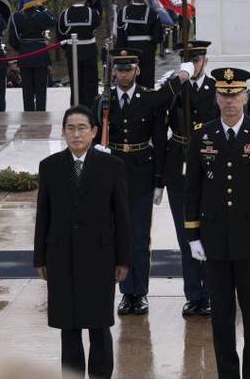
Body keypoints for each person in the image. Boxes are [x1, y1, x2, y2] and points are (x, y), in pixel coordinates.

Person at [184, 67, 250, 379]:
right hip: (214, 240)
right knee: (221, 317)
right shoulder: (202, 135)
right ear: (216, 98)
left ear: (245, 97)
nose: (229, 101)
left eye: (235, 95)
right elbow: (193, 188)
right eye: (223, 95)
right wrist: (193, 235)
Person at [33, 105, 132, 379]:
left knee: (99, 325)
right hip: (61, 255)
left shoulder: (112, 167)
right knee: (69, 327)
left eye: (82, 128)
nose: (76, 134)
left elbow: (122, 216)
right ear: (63, 132)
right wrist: (40, 257)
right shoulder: (50, 167)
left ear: (94, 131)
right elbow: (43, 215)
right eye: (71, 128)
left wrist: (123, 259)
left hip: (99, 256)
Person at [94, 49, 192, 317]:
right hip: (113, 172)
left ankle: (140, 293)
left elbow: (159, 140)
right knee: (119, 235)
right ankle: (127, 292)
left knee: (139, 237)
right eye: (119, 69)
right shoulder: (103, 101)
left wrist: (159, 179)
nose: (124, 74)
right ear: (113, 72)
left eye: (128, 69)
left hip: (141, 174)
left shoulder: (148, 98)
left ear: (137, 70)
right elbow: (94, 134)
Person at [162, 40, 218, 317]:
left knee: (209, 232)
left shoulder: (217, 88)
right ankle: (194, 294)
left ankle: (212, 292)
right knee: (185, 234)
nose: (194, 65)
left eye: (197, 60)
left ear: (205, 61)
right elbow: (157, 110)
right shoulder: (174, 87)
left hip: (209, 163)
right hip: (178, 162)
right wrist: (179, 80)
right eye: (189, 60)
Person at [58, 0, 101, 110]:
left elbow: (61, 35)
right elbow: (96, 25)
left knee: (76, 82)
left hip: (72, 51)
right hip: (89, 50)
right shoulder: (93, 13)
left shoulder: (64, 14)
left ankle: (76, 108)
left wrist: (68, 49)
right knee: (91, 82)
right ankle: (92, 109)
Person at [8, 3, 56, 111]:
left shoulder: (17, 16)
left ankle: (28, 113)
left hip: (25, 54)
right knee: (41, 89)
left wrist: (21, 48)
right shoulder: (42, 15)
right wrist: (44, 9)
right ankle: (40, 112)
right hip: (40, 54)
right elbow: (53, 21)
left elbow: (12, 39)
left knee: (27, 89)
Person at [116, 0, 163, 87]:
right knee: (147, 79)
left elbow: (120, 37)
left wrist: (119, 53)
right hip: (147, 50)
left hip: (129, 51)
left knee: (131, 79)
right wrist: (151, 47)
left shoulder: (123, 12)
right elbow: (158, 37)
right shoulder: (152, 13)